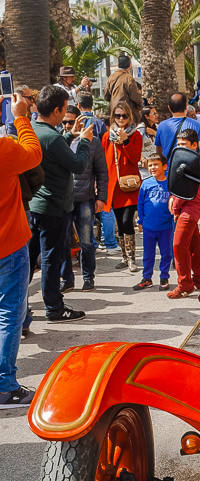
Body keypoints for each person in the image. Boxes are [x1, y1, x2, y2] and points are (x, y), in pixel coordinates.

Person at [28, 85, 92, 323]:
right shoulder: (52, 137)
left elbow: (50, 152)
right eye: (64, 109)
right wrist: (84, 141)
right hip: (54, 207)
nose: (66, 114)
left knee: (29, 259)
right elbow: (77, 164)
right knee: (51, 261)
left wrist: (69, 135)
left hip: (35, 205)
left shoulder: (33, 129)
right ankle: (54, 308)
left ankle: (21, 308)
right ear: (56, 110)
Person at [0, 91, 42, 405]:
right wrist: (21, 116)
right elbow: (33, 153)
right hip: (8, 245)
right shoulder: (3, 149)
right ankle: (5, 384)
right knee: (10, 314)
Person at [59, 105, 108, 293]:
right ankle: (67, 279)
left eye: (71, 121)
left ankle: (88, 277)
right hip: (63, 199)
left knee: (87, 241)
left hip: (85, 198)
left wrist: (101, 197)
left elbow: (102, 172)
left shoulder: (93, 142)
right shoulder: (58, 140)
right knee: (63, 240)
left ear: (79, 121)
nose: (67, 125)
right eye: (64, 122)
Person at [102, 101, 143, 273]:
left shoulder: (136, 136)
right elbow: (103, 162)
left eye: (124, 116)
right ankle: (125, 258)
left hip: (130, 185)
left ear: (129, 117)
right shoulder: (107, 137)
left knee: (127, 221)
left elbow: (135, 159)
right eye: (117, 115)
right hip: (114, 185)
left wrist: (125, 141)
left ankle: (132, 258)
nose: (120, 119)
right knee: (119, 222)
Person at [168, 129, 200, 299]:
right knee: (193, 244)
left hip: (188, 208)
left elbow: (183, 190)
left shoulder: (191, 163)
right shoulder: (191, 160)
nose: (180, 147)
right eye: (178, 144)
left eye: (184, 144)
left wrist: (175, 209)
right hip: (190, 207)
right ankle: (198, 280)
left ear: (194, 145)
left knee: (179, 245)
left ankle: (185, 284)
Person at [134, 153, 174, 291]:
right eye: (150, 165)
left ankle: (164, 277)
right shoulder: (146, 183)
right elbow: (140, 203)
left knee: (166, 253)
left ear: (164, 166)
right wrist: (141, 220)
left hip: (166, 226)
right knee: (148, 254)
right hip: (148, 226)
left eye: (156, 164)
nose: (152, 167)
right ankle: (147, 278)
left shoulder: (170, 183)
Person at [154, 93, 200, 161]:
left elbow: (159, 152)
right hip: (190, 169)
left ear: (169, 108)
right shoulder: (196, 125)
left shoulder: (161, 126)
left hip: (168, 169)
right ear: (186, 106)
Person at [105, 54, 143, 124]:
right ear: (129, 65)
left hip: (114, 113)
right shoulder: (129, 78)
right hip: (127, 113)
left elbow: (106, 95)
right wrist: (140, 106)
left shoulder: (111, 77)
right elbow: (135, 96)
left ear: (118, 65)